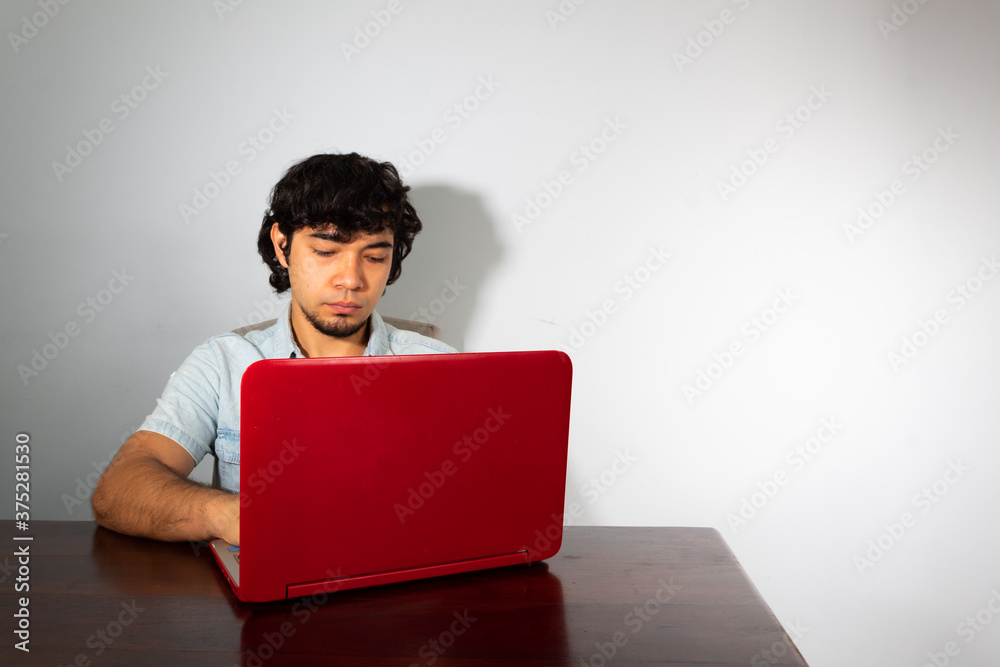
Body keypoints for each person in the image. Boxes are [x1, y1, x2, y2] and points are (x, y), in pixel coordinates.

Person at [92, 153, 456, 546]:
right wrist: (230, 515)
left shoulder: (440, 368)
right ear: (282, 246)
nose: (351, 280)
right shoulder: (223, 364)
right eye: (326, 252)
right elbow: (118, 490)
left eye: (374, 257)